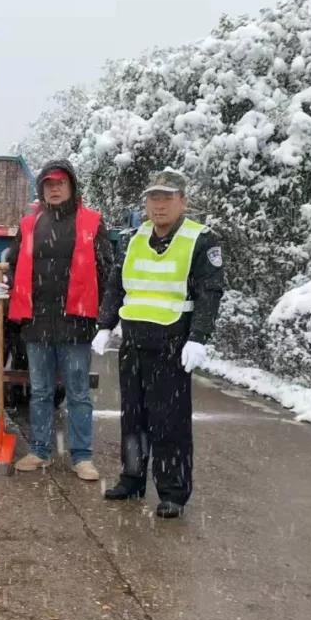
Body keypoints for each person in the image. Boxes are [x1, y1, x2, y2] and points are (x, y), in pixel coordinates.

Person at [92, 168, 225, 518]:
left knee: (169, 422)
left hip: (172, 343)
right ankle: (132, 478)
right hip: (134, 342)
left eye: (167, 198)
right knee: (133, 418)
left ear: (183, 201)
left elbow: (210, 292)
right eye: (154, 198)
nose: (159, 205)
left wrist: (198, 337)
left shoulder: (201, 240)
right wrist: (105, 325)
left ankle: (173, 492)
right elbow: (116, 285)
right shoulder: (135, 238)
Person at [0, 160, 114, 478]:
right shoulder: (30, 225)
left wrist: (104, 317)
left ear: (71, 186)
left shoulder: (92, 223)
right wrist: (4, 286)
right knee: (41, 391)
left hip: (77, 321)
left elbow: (105, 271)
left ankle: (82, 457)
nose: (54, 188)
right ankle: (40, 450)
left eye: (60, 183)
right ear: (41, 189)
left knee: (78, 393)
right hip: (38, 322)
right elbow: (16, 266)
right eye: (48, 183)